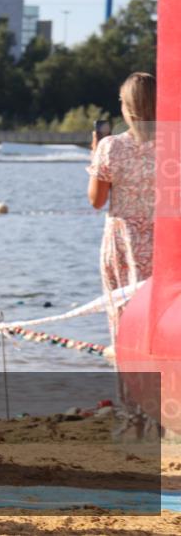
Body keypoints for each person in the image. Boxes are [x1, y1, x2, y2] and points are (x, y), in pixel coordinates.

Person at [87, 72, 157, 344]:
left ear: (127, 107)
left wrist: (95, 156)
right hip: (164, 246)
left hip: (123, 244)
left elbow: (96, 200)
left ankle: (130, 382)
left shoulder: (111, 146)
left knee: (125, 323)